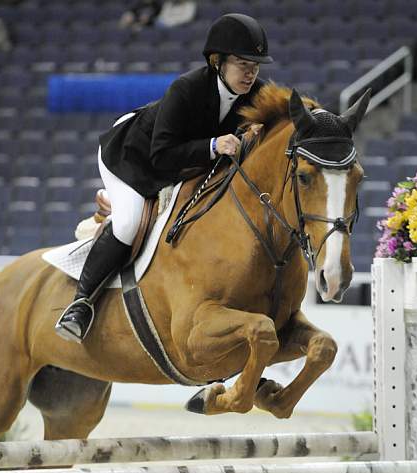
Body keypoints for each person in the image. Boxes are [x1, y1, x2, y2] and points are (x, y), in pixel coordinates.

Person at [55, 13, 273, 343]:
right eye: (243, 63)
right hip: (132, 157)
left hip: (183, 166)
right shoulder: (186, 89)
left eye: (255, 65)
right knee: (128, 223)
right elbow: (161, 155)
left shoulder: (257, 93)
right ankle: (80, 305)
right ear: (217, 62)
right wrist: (214, 145)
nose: (251, 72)